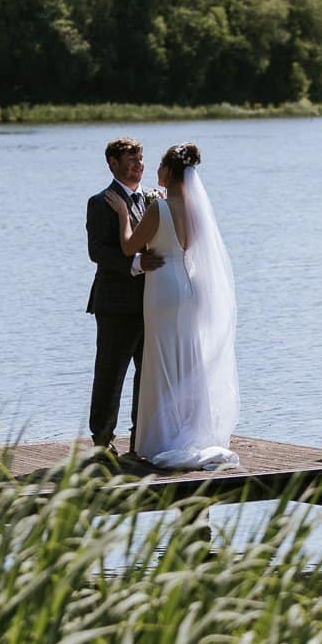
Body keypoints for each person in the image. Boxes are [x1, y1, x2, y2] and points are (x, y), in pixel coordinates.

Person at [102, 143, 240, 470]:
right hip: (187, 286)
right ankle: (189, 427)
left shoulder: (159, 208)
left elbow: (129, 246)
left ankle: (162, 438)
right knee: (186, 357)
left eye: (160, 166)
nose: (155, 170)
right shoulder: (196, 210)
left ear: (169, 171)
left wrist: (122, 214)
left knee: (162, 359)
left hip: (162, 285)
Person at [85, 137, 165, 458]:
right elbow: (97, 252)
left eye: (140, 159)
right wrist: (136, 264)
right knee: (110, 374)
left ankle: (140, 437)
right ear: (112, 163)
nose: (138, 165)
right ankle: (102, 442)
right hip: (116, 304)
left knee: (148, 375)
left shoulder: (153, 199)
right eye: (131, 160)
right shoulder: (101, 202)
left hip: (151, 303)